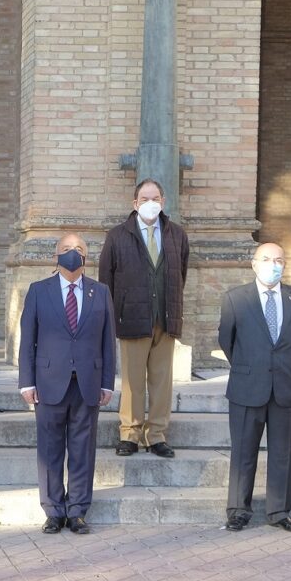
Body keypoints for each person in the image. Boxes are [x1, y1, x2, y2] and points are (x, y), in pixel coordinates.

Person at [19, 233, 116, 535]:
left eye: (78, 249)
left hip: (87, 383)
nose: (72, 253)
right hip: (49, 382)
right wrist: (26, 382)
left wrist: (107, 383)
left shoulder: (100, 292)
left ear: (86, 257)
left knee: (82, 448)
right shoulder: (39, 291)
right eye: (66, 249)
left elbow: (108, 341)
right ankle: (53, 511)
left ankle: (77, 511)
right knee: (49, 449)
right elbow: (28, 340)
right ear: (55, 256)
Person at [218, 242, 291, 534]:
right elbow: (227, 340)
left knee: (283, 453)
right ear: (254, 264)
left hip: (286, 386)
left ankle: (279, 511)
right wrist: (251, 365)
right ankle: (238, 510)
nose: (273, 265)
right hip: (247, 385)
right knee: (243, 452)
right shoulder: (235, 299)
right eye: (266, 259)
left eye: (279, 260)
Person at [99, 178, 189, 458]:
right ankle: (130, 433)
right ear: (135, 203)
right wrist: (112, 315)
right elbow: (106, 280)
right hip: (132, 317)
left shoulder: (176, 235)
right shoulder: (117, 236)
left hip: (165, 317)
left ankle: (157, 435)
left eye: (155, 198)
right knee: (132, 381)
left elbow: (181, 274)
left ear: (163, 201)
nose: (151, 203)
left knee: (162, 381)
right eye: (145, 199)